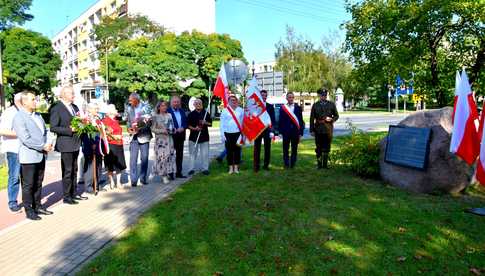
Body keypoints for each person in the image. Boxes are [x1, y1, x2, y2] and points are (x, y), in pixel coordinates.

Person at [13, 91, 53, 220]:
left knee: (38, 182)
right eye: (32, 99)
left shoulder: (38, 115)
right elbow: (25, 138)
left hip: (41, 155)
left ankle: (38, 206)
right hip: (28, 156)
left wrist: (48, 143)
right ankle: (29, 209)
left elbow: (45, 131)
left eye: (35, 99)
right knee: (28, 184)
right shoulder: (19, 117)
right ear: (24, 102)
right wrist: (42, 146)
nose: (35, 101)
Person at [50, 86, 85, 205]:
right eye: (72, 94)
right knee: (67, 171)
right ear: (64, 94)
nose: (74, 95)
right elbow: (53, 127)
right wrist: (70, 130)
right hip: (65, 144)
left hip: (76, 143)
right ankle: (67, 196)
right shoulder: (57, 107)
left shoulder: (74, 107)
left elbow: (79, 121)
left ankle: (74, 193)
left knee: (74, 169)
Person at [0, 93, 22, 212]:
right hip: (14, 150)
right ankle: (12, 202)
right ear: (19, 101)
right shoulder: (9, 113)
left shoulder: (25, 112)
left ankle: (29, 201)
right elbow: (3, 131)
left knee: (27, 177)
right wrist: (22, 134)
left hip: (26, 150)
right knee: (14, 176)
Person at [124, 92, 152, 186]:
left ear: (137, 100)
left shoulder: (146, 106)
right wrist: (129, 128)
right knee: (132, 159)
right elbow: (127, 121)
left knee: (144, 158)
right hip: (133, 137)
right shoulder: (129, 108)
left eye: (131, 100)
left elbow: (150, 122)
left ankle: (143, 178)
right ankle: (133, 180)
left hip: (144, 135)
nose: (130, 101)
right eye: (129, 100)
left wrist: (140, 125)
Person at [81, 103, 107, 194]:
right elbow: (84, 134)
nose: (97, 110)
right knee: (90, 167)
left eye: (97, 108)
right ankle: (89, 186)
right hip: (90, 146)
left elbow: (101, 131)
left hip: (99, 145)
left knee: (99, 165)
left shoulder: (98, 119)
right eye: (96, 108)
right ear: (90, 109)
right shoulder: (85, 119)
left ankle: (97, 184)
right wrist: (90, 143)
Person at [310, 88, 339, 169]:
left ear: (326, 95)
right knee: (318, 147)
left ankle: (325, 165)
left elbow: (337, 115)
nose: (324, 97)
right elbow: (312, 118)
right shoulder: (315, 105)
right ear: (319, 96)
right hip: (318, 129)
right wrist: (311, 130)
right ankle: (319, 165)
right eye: (322, 95)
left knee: (327, 147)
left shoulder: (331, 104)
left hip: (328, 129)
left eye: (325, 95)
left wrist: (332, 119)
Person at [151, 100, 176, 184]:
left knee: (169, 156)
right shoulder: (155, 116)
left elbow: (172, 125)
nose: (164, 107)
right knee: (162, 158)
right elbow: (153, 129)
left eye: (165, 105)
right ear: (158, 107)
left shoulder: (169, 115)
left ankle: (169, 172)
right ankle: (163, 175)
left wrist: (173, 130)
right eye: (162, 106)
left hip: (169, 139)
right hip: (161, 141)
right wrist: (162, 131)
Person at [102, 104, 127, 188]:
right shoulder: (105, 121)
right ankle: (111, 181)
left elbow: (119, 131)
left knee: (119, 163)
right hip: (111, 145)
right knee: (110, 164)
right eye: (115, 109)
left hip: (119, 144)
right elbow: (105, 134)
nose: (116, 110)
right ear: (110, 112)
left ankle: (118, 182)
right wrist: (115, 137)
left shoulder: (116, 120)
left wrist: (121, 138)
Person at [278, 92, 304, 168]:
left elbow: (301, 121)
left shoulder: (298, 108)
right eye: (289, 97)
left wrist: (300, 133)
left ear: (294, 98)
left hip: (295, 132)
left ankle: (292, 163)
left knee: (294, 148)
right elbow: (280, 120)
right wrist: (280, 132)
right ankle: (286, 164)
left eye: (292, 97)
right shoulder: (283, 108)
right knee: (285, 148)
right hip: (286, 132)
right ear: (286, 98)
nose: (291, 99)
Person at [187, 99, 212, 176]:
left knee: (205, 154)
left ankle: (205, 169)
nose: (198, 104)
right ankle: (191, 169)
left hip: (204, 137)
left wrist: (205, 122)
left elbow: (210, 124)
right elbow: (188, 125)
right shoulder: (191, 114)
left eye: (200, 103)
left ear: (202, 104)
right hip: (193, 137)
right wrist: (195, 128)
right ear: (194, 105)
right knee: (192, 154)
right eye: (196, 103)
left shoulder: (206, 113)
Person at [220, 95, 244, 174]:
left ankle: (236, 167)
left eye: (235, 100)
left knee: (237, 151)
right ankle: (230, 168)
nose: (233, 101)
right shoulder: (225, 111)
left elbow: (243, 122)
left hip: (238, 133)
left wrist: (243, 133)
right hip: (227, 133)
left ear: (237, 101)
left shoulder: (240, 110)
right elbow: (222, 124)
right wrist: (222, 135)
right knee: (229, 151)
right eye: (232, 100)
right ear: (229, 102)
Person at [253, 90, 276, 172]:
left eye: (265, 95)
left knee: (267, 148)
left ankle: (266, 165)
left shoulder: (270, 106)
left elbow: (273, 120)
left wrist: (272, 131)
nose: (263, 97)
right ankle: (256, 166)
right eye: (262, 95)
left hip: (267, 130)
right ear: (259, 96)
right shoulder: (255, 106)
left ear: (266, 96)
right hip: (258, 130)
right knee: (257, 148)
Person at [167, 95, 188, 178]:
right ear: (171, 103)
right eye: (174, 102)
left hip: (181, 136)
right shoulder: (167, 112)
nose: (176, 103)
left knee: (180, 155)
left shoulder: (182, 111)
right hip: (171, 136)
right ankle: (171, 173)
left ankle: (179, 172)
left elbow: (186, 122)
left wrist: (183, 127)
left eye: (178, 102)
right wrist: (173, 129)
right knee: (170, 155)